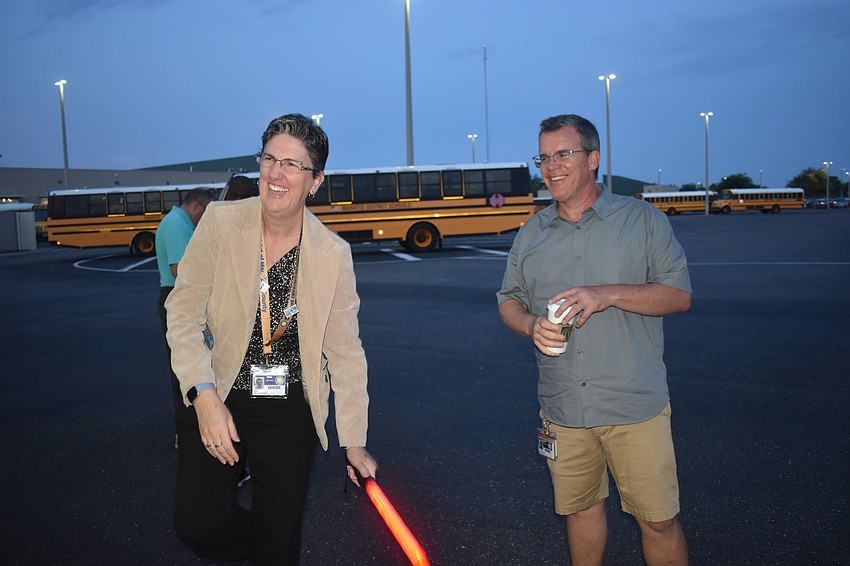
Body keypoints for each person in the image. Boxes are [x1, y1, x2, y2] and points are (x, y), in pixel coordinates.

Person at [165, 113, 377, 565]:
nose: (276, 173)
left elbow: (345, 350)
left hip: (288, 411)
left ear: (315, 180)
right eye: (270, 159)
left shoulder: (333, 254)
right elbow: (181, 312)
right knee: (198, 524)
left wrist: (353, 440)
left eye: (292, 165)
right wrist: (202, 397)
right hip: (219, 394)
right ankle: (260, 543)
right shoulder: (221, 223)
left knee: (279, 547)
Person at [497, 114, 692, 566]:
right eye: (544, 157)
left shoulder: (642, 220)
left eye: (563, 154)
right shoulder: (531, 232)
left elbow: (679, 296)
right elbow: (508, 300)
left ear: (593, 159)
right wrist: (530, 326)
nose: (551, 167)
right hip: (563, 407)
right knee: (580, 510)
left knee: (658, 520)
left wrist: (608, 294)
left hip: (633, 405)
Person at [155, 187, 214, 449]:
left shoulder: (178, 221)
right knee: (186, 370)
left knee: (190, 367)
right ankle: (188, 435)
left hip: (177, 297)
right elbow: (179, 269)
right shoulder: (178, 225)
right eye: (207, 213)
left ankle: (193, 432)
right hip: (177, 299)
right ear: (198, 206)